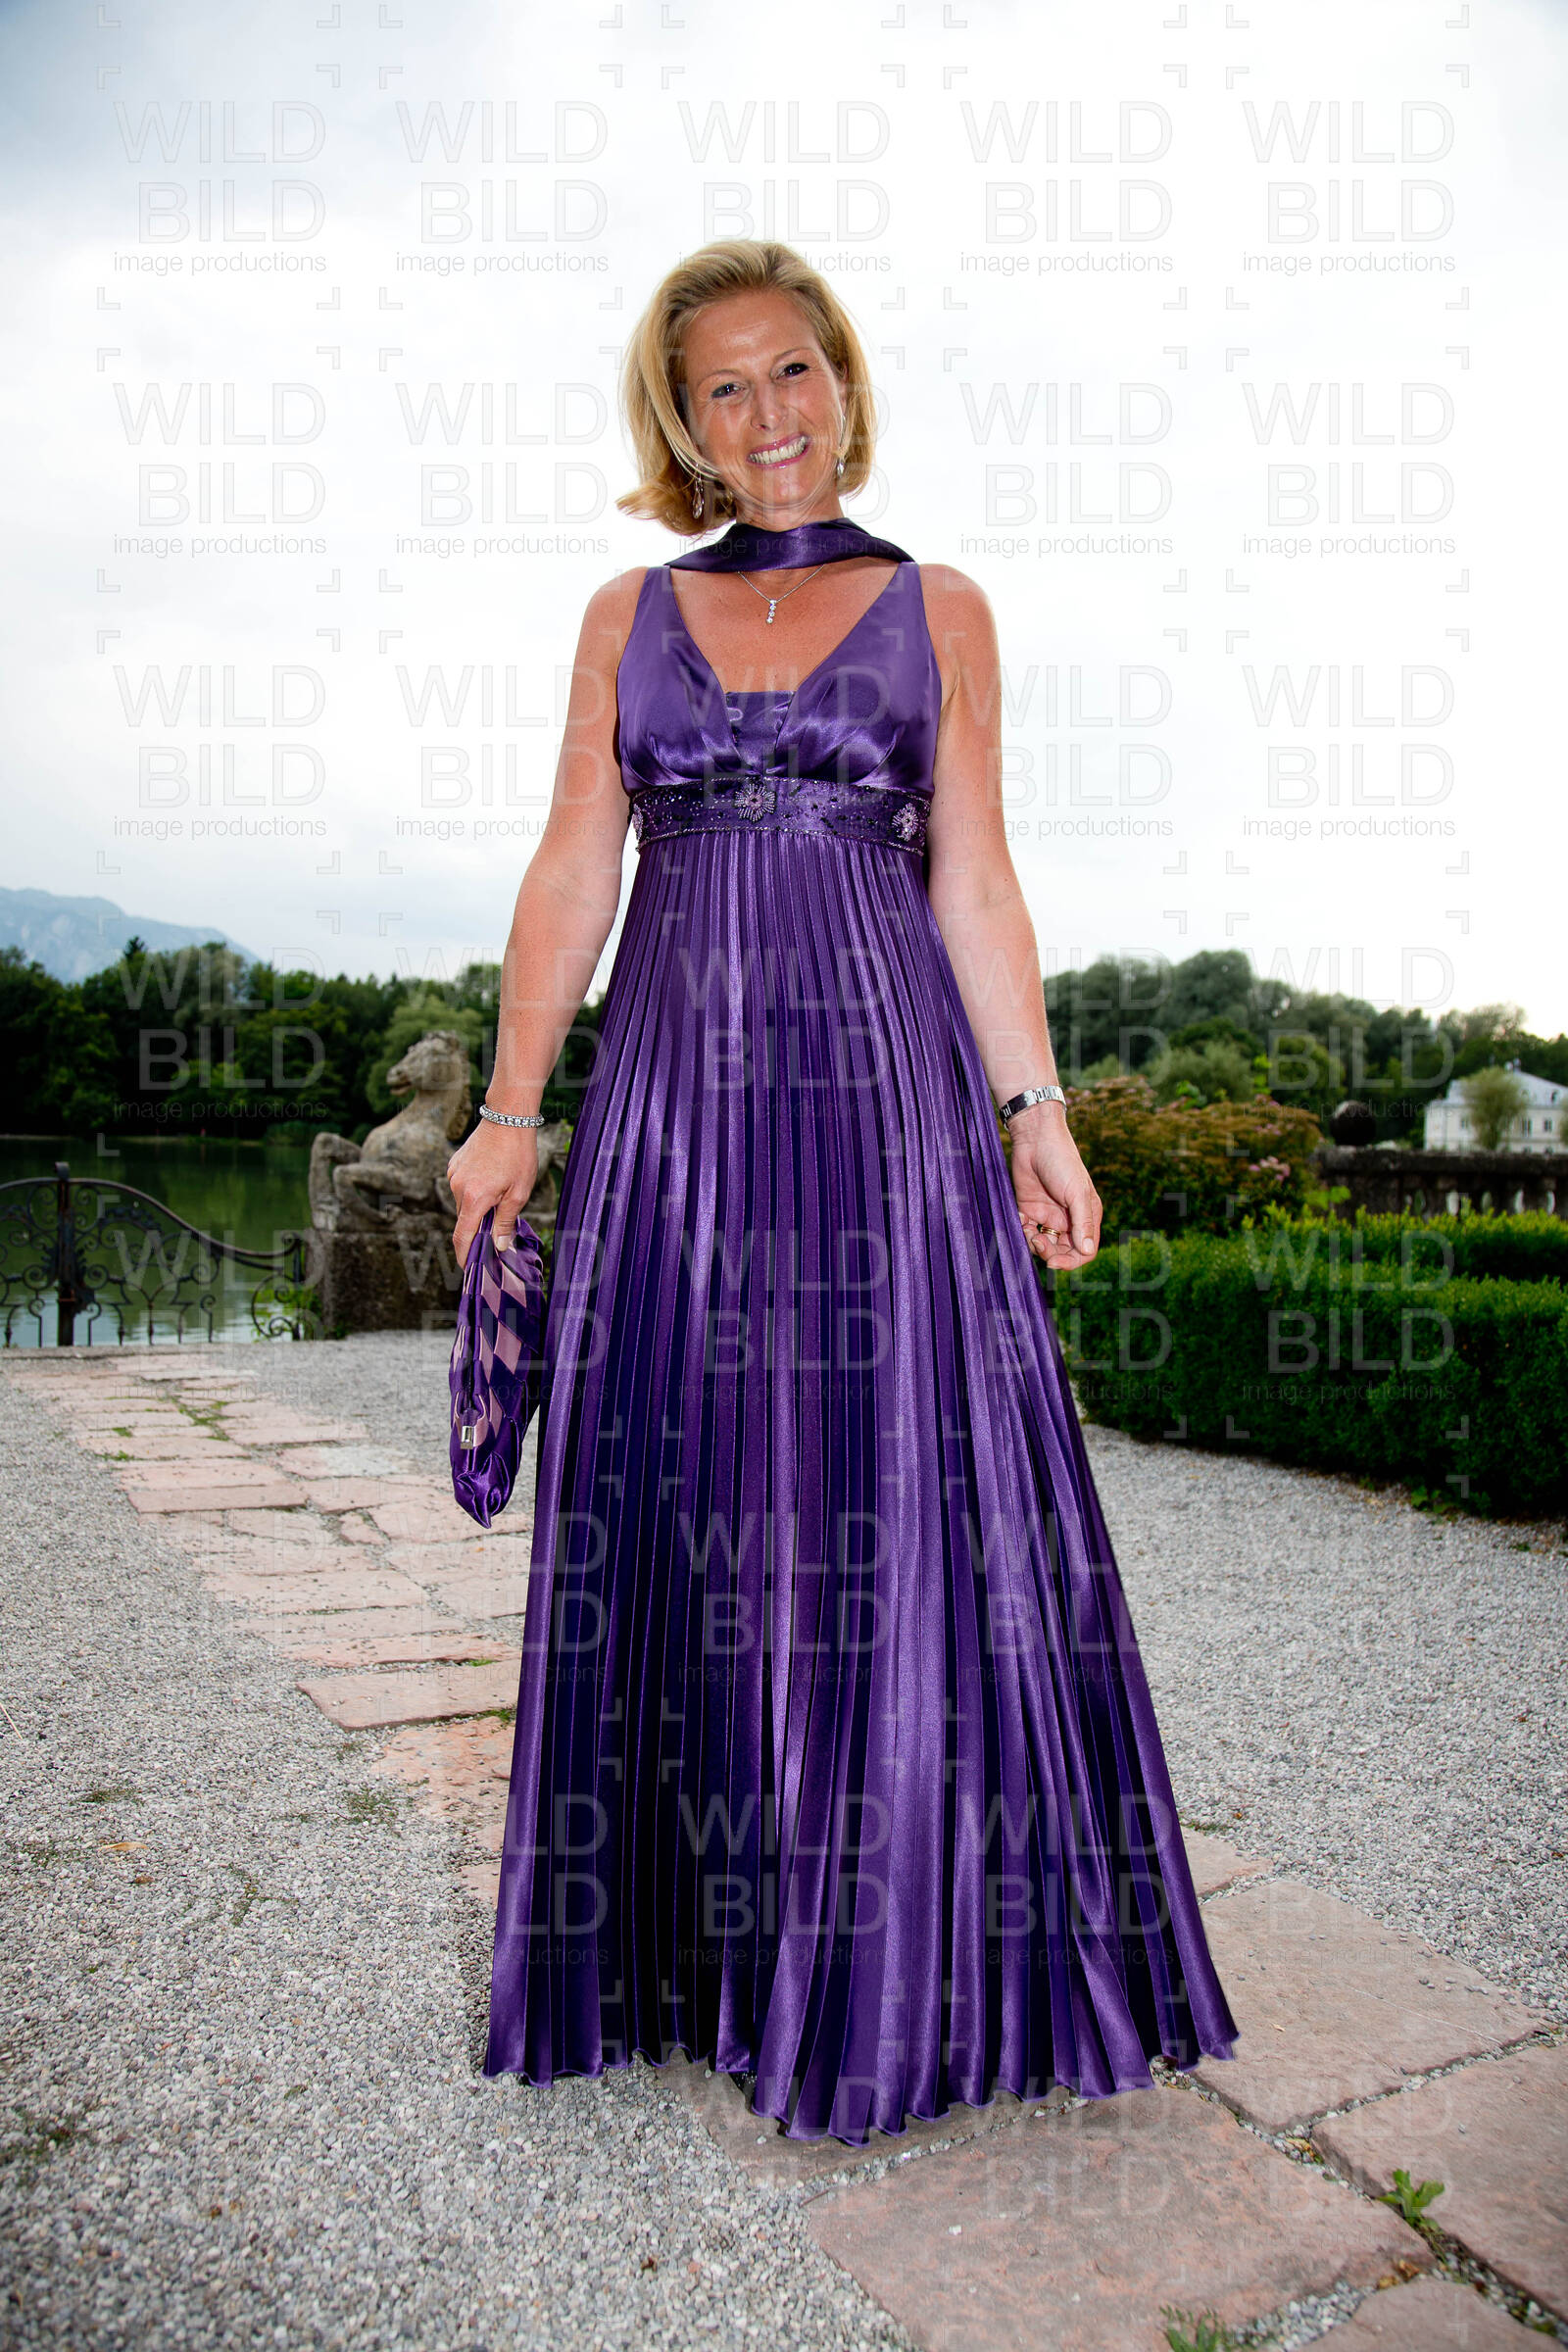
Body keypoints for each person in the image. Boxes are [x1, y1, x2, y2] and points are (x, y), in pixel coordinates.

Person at [446, 237, 1239, 2146]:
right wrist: (508, 1111)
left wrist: (1033, 1110)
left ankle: (904, 1963)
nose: (768, 411)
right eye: (722, 387)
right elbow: (573, 868)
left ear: (843, 379)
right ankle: (700, 1950)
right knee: (696, 1486)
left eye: (791, 368)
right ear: (683, 426)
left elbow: (975, 873)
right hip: (675, 1114)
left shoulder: (941, 606)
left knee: (884, 1491)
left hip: (883, 1098)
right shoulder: (625, 614)